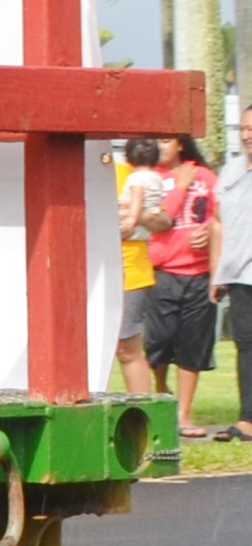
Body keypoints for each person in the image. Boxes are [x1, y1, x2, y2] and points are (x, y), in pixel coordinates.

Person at [132, 131, 218, 430]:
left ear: (181, 143)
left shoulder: (204, 176)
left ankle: (183, 414)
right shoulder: (147, 178)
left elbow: (221, 213)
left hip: (199, 272)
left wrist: (211, 229)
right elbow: (155, 218)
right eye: (156, 140)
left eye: (166, 140)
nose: (160, 146)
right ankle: (160, 388)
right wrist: (179, 188)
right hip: (161, 270)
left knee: (192, 344)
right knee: (158, 340)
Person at [208, 104, 252, 441]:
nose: (247, 135)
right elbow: (218, 222)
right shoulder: (232, 170)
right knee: (246, 345)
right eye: (243, 129)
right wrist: (217, 273)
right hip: (239, 274)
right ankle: (248, 419)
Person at [116, 140, 160, 397]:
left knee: (127, 348)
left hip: (131, 272)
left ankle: (142, 411)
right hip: (88, 271)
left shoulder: (132, 175)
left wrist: (134, 218)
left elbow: (163, 220)